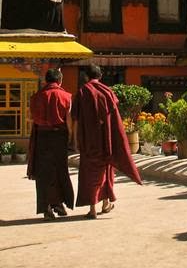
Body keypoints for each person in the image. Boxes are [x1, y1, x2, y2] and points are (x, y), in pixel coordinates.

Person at [73, 64, 142, 219]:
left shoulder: (82, 92)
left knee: (89, 174)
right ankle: (105, 203)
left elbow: (75, 119)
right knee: (106, 171)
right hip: (106, 140)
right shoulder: (107, 92)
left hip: (88, 141)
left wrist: (75, 140)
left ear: (86, 77)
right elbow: (114, 119)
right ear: (100, 76)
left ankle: (92, 209)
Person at [27, 68, 74, 220]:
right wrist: (71, 137)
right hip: (59, 137)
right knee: (59, 171)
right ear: (59, 81)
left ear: (46, 81)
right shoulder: (66, 96)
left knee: (43, 173)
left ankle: (47, 208)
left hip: (42, 137)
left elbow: (30, 118)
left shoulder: (35, 97)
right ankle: (58, 204)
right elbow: (68, 120)